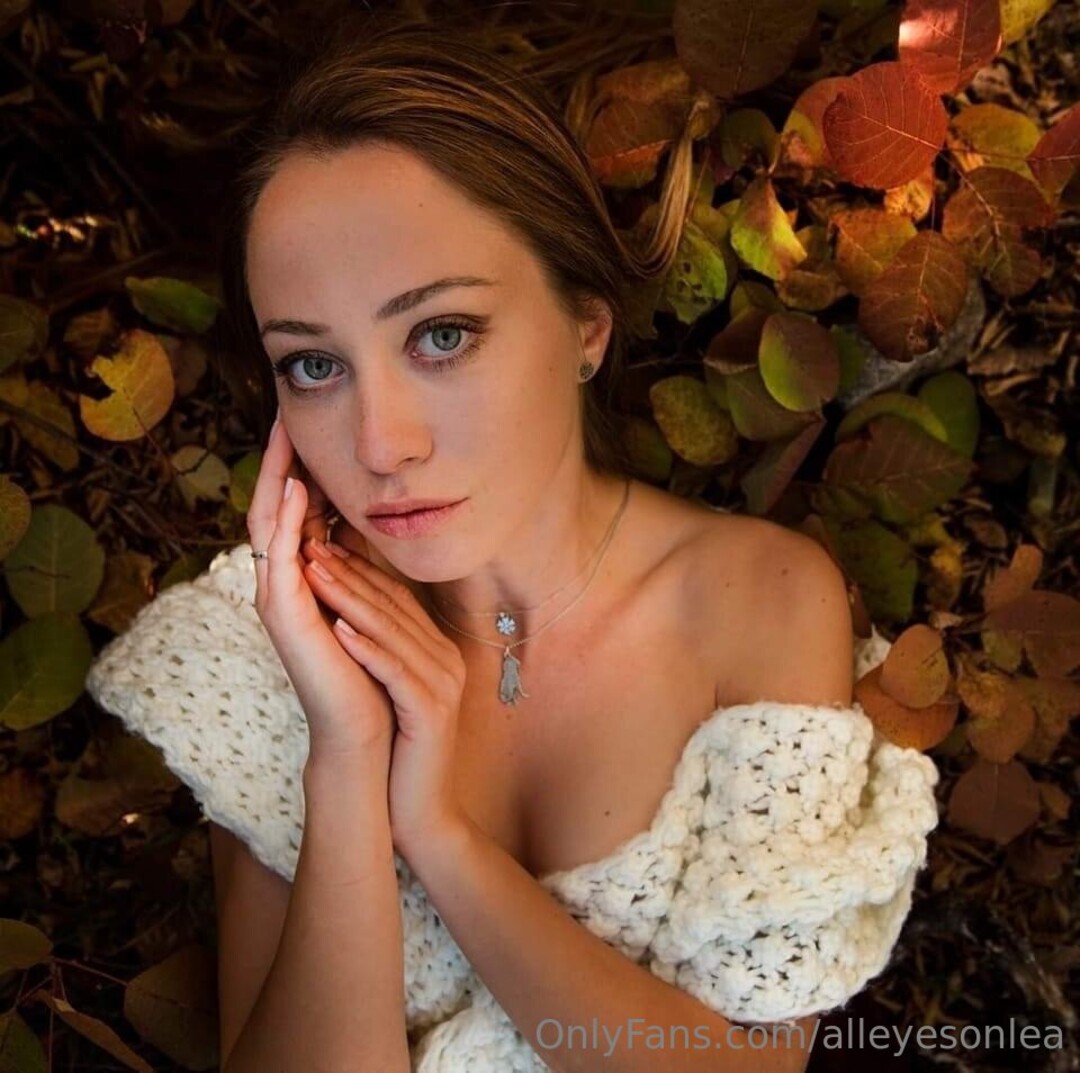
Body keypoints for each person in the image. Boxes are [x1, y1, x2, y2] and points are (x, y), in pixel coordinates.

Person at [85, 13, 941, 1073]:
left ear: (586, 324)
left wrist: (439, 836)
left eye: (441, 335)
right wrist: (346, 762)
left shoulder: (753, 601)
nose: (382, 444)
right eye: (313, 365)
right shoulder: (270, 650)